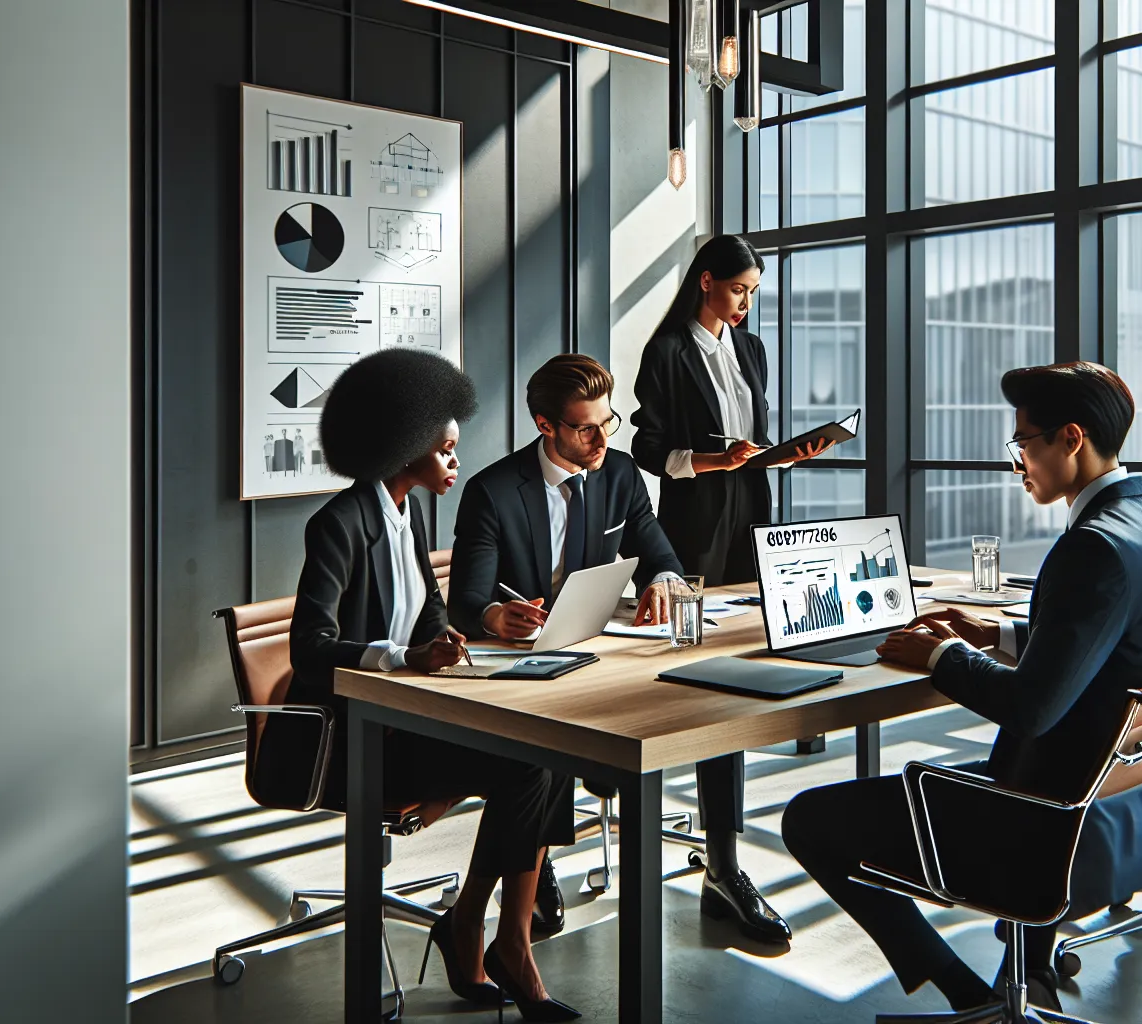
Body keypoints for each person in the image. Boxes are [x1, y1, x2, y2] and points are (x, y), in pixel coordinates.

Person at [781, 362, 1142, 1014]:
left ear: (1070, 438)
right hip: (1119, 816)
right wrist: (996, 634)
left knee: (808, 819)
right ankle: (1027, 975)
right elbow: (1108, 644)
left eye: (1023, 443)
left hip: (1043, 830)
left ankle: (967, 995)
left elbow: (1030, 709)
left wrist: (941, 654)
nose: (1017, 462)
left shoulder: (1093, 547)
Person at [264, 347, 580, 1021]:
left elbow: (428, 612)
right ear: (403, 447)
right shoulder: (340, 524)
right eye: (444, 451)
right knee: (528, 763)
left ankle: (503, 939)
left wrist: (452, 641)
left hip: (411, 719)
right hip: (352, 737)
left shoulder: (408, 517)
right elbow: (310, 648)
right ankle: (478, 931)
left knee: (549, 754)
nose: (454, 464)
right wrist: (406, 658)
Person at [448, 353, 794, 944]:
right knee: (550, 719)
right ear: (545, 425)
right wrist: (495, 615)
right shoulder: (494, 492)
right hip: (529, 658)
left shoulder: (621, 473)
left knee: (717, 699)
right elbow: (467, 600)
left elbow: (657, 551)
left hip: (604, 643)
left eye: (607, 423)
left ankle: (723, 866)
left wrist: (661, 579)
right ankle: (537, 863)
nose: (601, 439)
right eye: (585, 428)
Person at [630, 234, 831, 586]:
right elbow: (647, 451)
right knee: (697, 618)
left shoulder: (752, 349)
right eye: (739, 290)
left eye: (753, 292)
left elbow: (755, 441)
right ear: (706, 281)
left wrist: (790, 454)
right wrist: (720, 460)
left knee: (750, 611)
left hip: (752, 507)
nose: (747, 304)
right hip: (696, 514)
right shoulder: (665, 353)